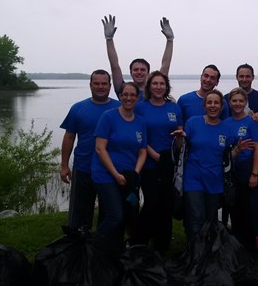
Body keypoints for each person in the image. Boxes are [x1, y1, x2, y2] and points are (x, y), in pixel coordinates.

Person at [172, 90, 245, 241]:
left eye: (216, 103)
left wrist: (238, 150)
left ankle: (208, 253)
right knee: (196, 217)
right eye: (209, 102)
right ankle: (195, 253)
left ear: (221, 106)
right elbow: (181, 149)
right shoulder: (193, 123)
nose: (213, 106)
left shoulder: (227, 129)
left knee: (210, 220)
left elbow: (228, 159)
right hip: (194, 178)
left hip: (215, 180)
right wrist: (179, 139)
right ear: (204, 105)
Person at [60, 69, 121, 230]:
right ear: (90, 85)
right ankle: (77, 243)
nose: (100, 87)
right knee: (80, 213)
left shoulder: (119, 108)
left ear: (109, 85)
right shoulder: (78, 108)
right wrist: (64, 165)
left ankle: (102, 245)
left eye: (104, 84)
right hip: (83, 167)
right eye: (97, 83)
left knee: (109, 213)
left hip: (110, 170)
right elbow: (69, 137)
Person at [92, 82, 147, 247]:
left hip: (128, 176)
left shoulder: (140, 122)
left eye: (132, 95)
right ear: (120, 96)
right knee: (115, 215)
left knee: (128, 213)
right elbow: (100, 148)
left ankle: (113, 247)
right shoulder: (108, 117)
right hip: (106, 175)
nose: (129, 98)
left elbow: (142, 151)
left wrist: (135, 174)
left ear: (137, 98)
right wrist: (115, 174)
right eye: (125, 94)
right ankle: (92, 246)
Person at [133, 70, 183, 252]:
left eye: (162, 84)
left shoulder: (174, 107)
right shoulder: (141, 107)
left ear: (166, 87)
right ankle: (140, 241)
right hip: (149, 163)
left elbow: (179, 136)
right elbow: (138, 136)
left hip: (169, 164)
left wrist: (179, 139)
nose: (158, 87)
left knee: (167, 204)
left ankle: (162, 245)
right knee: (151, 203)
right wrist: (156, 156)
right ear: (149, 86)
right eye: (155, 83)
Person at [225, 87, 258, 251]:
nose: (238, 104)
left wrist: (255, 174)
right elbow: (225, 149)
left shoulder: (252, 123)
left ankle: (251, 242)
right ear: (229, 103)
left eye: (241, 101)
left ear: (246, 103)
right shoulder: (225, 123)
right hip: (232, 169)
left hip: (248, 169)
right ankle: (236, 241)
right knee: (234, 206)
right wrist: (235, 151)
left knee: (251, 206)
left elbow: (257, 150)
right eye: (234, 101)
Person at [101, 14, 174, 99]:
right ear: (130, 72)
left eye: (143, 70)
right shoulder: (124, 90)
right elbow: (114, 66)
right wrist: (109, 39)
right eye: (135, 70)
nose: (139, 72)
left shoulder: (155, 90)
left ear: (148, 73)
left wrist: (170, 40)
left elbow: (165, 65)